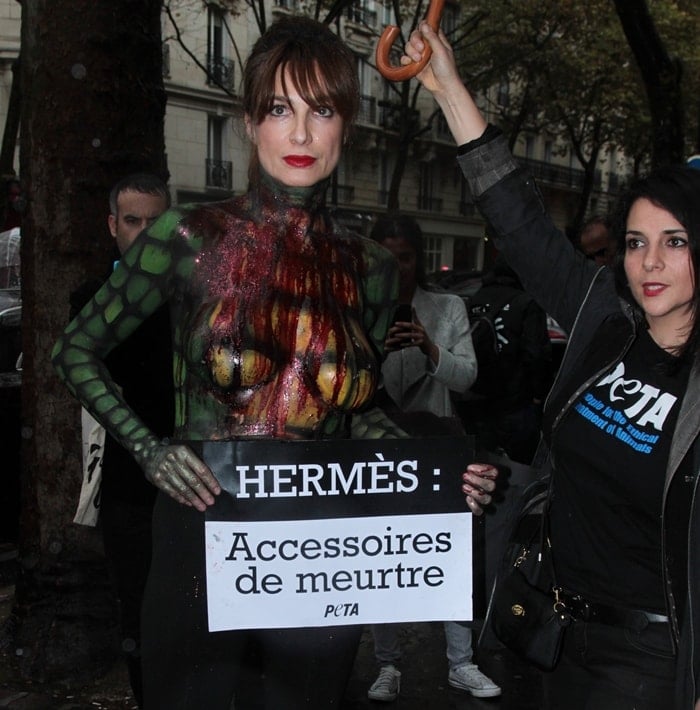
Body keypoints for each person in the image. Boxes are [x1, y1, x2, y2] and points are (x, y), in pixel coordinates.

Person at [51, 17, 498, 710]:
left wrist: (436, 473)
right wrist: (146, 447)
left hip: (319, 559)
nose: (299, 134)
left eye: (321, 110)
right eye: (279, 109)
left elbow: (358, 416)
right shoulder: (187, 239)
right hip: (203, 537)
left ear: (345, 125)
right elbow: (75, 349)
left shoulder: (371, 268)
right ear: (250, 121)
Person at [399, 20, 700, 710]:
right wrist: (447, 87)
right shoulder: (606, 326)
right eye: (635, 241)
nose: (649, 262)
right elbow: (520, 222)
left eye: (675, 242)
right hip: (554, 633)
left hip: (654, 658)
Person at [365, 213, 500, 701]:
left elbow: (466, 377)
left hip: (439, 446)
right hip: (377, 448)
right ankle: (386, 663)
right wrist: (377, 349)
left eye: (404, 256)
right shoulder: (358, 308)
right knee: (377, 550)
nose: (396, 267)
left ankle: (461, 662)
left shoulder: (447, 306)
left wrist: (427, 344)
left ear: (417, 259)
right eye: (386, 256)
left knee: (451, 550)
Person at [70, 173, 171, 708]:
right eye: (133, 220)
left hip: (198, 482)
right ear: (113, 226)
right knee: (137, 609)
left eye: (157, 221)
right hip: (130, 488)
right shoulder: (92, 300)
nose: (145, 232)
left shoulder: (194, 300)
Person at [460, 254, 551, 464]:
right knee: (522, 468)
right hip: (516, 402)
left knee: (482, 466)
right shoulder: (526, 302)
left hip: (478, 399)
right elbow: (536, 354)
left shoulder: (475, 299)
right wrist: (539, 394)